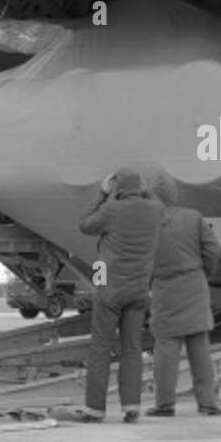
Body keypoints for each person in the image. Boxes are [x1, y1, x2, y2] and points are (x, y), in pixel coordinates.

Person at [78, 167, 164, 422]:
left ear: (118, 188)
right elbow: (159, 206)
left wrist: (102, 194)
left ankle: (95, 409)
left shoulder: (112, 210)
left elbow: (84, 224)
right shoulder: (155, 210)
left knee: (100, 349)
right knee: (132, 349)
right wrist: (145, 192)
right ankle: (131, 407)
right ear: (141, 187)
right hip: (139, 291)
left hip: (110, 291)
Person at [145, 175, 221, 417]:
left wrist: (150, 281)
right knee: (199, 346)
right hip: (194, 284)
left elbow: (140, 260)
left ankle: (165, 404)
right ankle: (208, 403)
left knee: (166, 348)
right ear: (174, 195)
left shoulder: (147, 224)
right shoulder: (194, 217)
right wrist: (203, 272)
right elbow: (213, 250)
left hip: (165, 288)